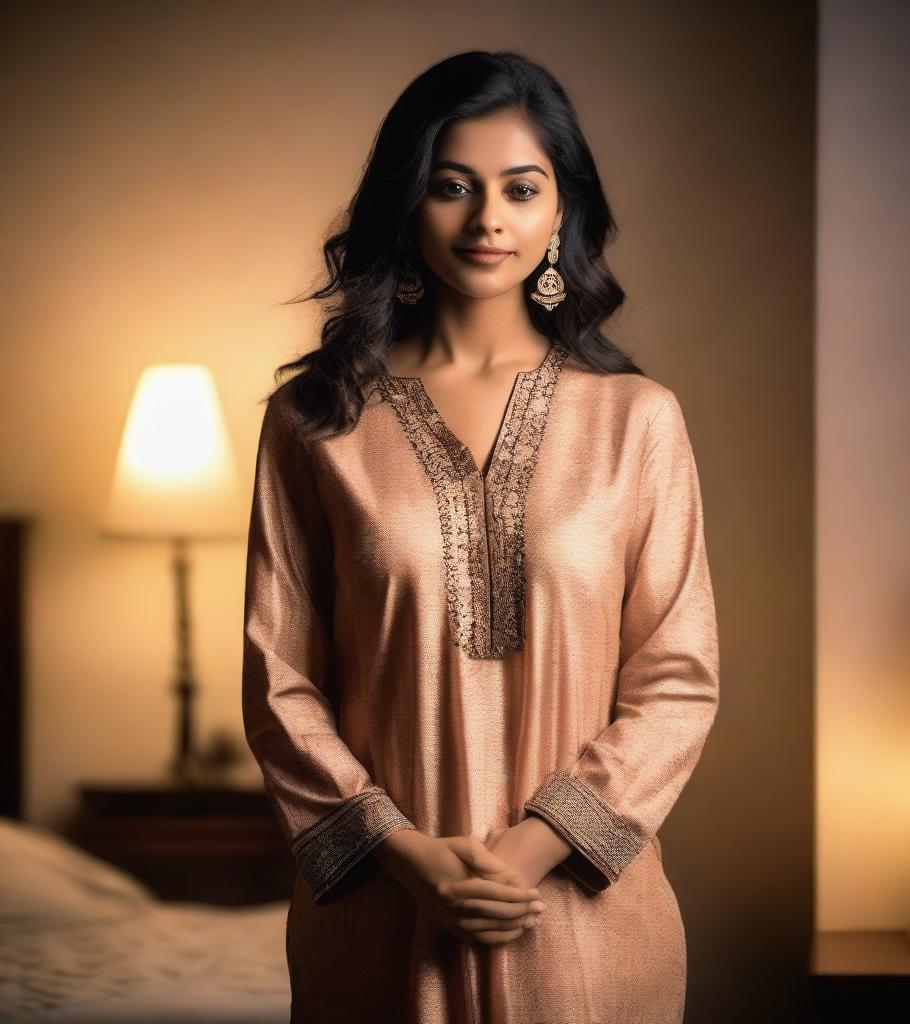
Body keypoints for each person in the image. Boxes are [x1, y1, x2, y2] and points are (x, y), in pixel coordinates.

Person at [242, 49, 720, 1024]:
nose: (487, 217)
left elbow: (676, 678)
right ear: (407, 203)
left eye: (520, 187)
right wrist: (407, 855)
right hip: (380, 913)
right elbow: (277, 678)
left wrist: (533, 849)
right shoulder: (315, 421)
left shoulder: (638, 420)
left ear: (559, 213)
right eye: (452, 185)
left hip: (585, 909)